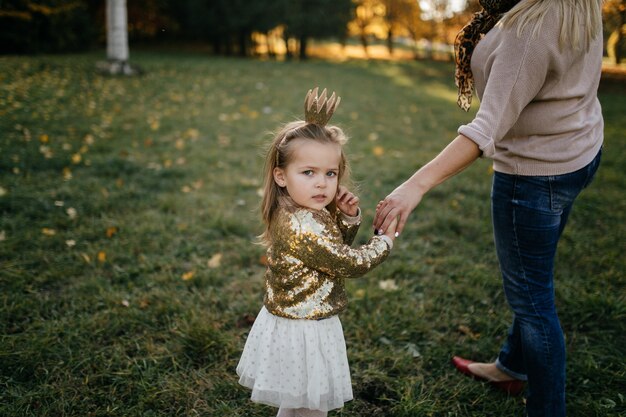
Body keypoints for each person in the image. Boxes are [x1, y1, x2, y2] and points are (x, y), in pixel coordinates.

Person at [373, 1, 603, 416]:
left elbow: (484, 131)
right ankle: (511, 368)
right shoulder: (578, 4)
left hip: (533, 179)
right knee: (536, 283)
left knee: (534, 306)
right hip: (580, 152)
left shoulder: (527, 32)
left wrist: (415, 185)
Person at [237, 88, 398, 417]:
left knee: (298, 404)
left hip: (296, 320)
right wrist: (385, 240)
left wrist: (347, 219)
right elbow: (345, 262)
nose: (322, 184)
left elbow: (328, 250)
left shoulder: (297, 209)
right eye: (308, 173)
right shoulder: (303, 224)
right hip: (306, 329)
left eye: (330, 173)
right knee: (311, 408)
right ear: (281, 176)